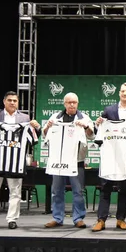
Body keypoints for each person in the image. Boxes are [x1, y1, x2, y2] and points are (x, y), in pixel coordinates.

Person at [0, 91, 41, 229]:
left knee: (15, 192)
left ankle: (12, 219)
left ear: (18, 103)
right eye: (10, 100)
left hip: (15, 162)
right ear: (4, 101)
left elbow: (33, 139)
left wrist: (37, 127)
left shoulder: (24, 118)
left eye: (15, 101)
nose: (12, 103)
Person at [92, 83, 126, 232]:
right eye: (122, 91)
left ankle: (121, 219)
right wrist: (97, 125)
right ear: (119, 93)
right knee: (105, 187)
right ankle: (101, 220)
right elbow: (99, 130)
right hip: (110, 154)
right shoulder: (108, 110)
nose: (124, 93)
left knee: (125, 188)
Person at [43, 92, 95, 228]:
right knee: (56, 191)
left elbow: (91, 136)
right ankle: (57, 217)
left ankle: (78, 218)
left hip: (76, 161)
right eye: (69, 102)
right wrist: (48, 126)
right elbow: (45, 135)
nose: (72, 104)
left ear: (78, 103)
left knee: (78, 191)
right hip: (58, 160)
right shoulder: (55, 117)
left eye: (74, 102)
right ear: (64, 103)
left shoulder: (84, 118)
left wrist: (85, 126)